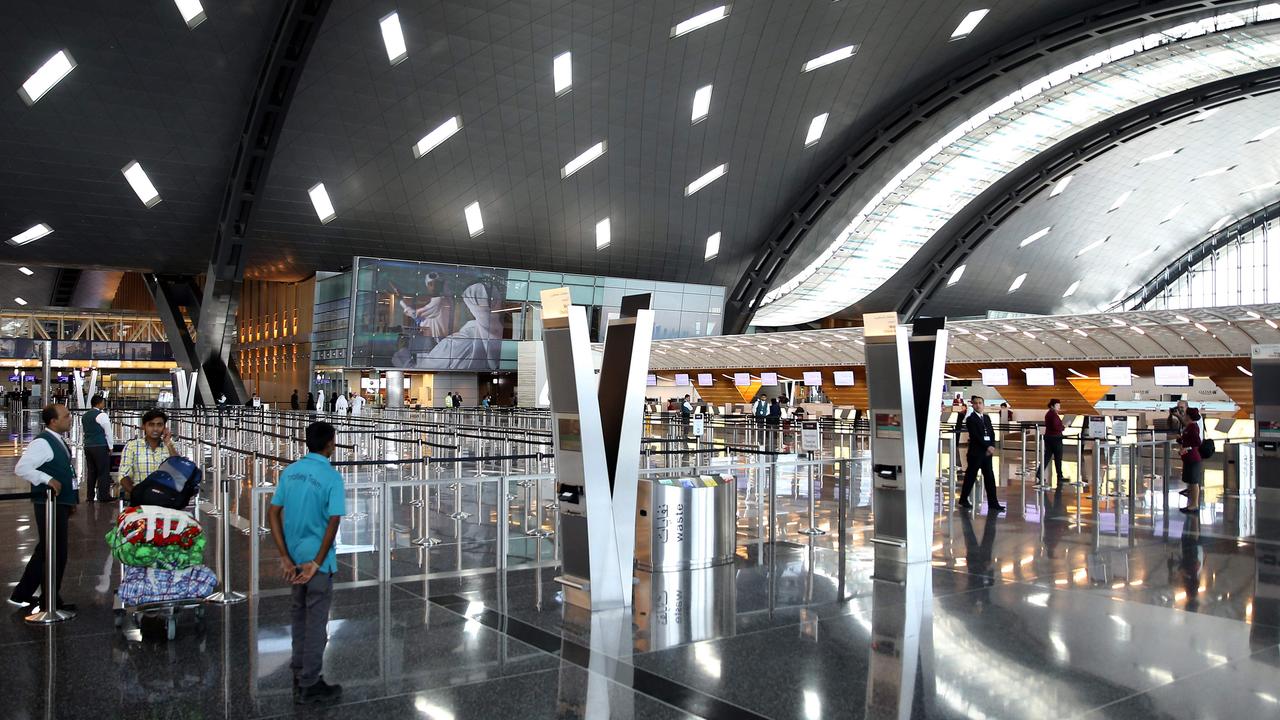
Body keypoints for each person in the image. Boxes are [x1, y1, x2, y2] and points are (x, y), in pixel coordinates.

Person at [268, 421, 345, 705]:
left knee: (298, 616)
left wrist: (285, 556)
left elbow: (273, 513)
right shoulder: (331, 476)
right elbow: (334, 520)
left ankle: (298, 671)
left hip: (295, 559)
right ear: (329, 444)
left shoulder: (291, 472)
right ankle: (310, 682)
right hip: (317, 565)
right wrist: (317, 561)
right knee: (316, 623)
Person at [11, 404, 78, 610]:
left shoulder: (57, 440)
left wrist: (72, 499)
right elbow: (22, 467)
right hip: (48, 503)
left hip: (59, 503)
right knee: (54, 551)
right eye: (66, 416)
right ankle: (50, 600)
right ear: (53, 421)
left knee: (47, 550)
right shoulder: (42, 442)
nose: (70, 418)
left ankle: (25, 593)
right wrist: (47, 479)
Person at [118, 409, 181, 497]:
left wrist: (168, 443)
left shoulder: (170, 446)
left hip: (166, 497)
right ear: (144, 426)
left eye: (159, 425)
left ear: (164, 428)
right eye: (151, 425)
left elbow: (180, 470)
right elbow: (123, 474)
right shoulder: (132, 446)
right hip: (140, 497)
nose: (155, 429)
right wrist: (136, 494)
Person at [959, 396, 1005, 514]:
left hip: (987, 454)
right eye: (976, 403)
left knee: (989, 477)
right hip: (976, 453)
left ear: (983, 405)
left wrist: (992, 445)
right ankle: (963, 499)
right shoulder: (971, 419)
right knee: (971, 477)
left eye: (980, 403)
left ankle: (993, 503)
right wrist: (986, 446)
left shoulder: (986, 418)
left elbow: (991, 433)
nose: (978, 405)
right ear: (973, 405)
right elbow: (975, 436)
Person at [82, 394, 115, 502]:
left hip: (88, 446)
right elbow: (108, 432)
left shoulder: (85, 415)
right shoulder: (102, 415)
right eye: (103, 402)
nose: (104, 404)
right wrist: (110, 446)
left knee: (91, 472)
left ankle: (90, 496)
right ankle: (104, 496)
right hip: (100, 446)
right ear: (99, 403)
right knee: (103, 471)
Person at [1178, 407, 1204, 513]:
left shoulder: (1193, 427)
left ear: (1188, 416)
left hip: (1193, 457)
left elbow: (1197, 442)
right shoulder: (1190, 426)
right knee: (1191, 481)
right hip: (1189, 458)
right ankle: (1192, 503)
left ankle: (1194, 505)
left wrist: (1186, 448)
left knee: (1194, 482)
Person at [1036, 398, 1067, 485]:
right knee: (1058, 458)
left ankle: (1039, 473)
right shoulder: (1053, 415)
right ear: (1052, 406)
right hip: (1056, 438)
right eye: (1057, 405)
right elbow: (1056, 427)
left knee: (1047, 457)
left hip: (1049, 437)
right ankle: (1060, 476)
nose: (1059, 407)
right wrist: (1064, 427)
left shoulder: (1049, 414)